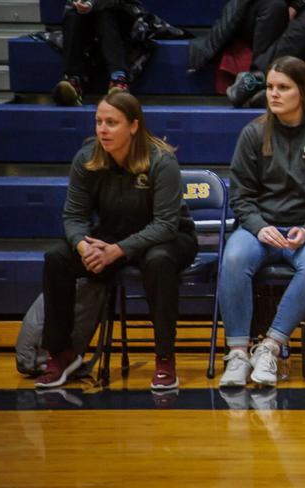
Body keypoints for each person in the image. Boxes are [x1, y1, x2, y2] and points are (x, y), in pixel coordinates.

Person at [35, 92, 198, 390]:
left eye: (112, 123)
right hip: (111, 236)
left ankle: (164, 357)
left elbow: (165, 224)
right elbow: (73, 216)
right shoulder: (87, 159)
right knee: (57, 257)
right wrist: (83, 246)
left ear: (133, 126)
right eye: (99, 122)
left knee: (158, 261)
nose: (103, 129)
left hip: (168, 237)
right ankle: (61, 353)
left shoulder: (161, 160)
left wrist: (118, 251)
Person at [217, 56, 305, 388]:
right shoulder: (253, 133)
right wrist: (258, 226)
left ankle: (270, 346)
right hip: (260, 229)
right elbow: (241, 196)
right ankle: (237, 353)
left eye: (283, 87)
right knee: (233, 257)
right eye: (270, 87)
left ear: (302, 91)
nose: (273, 94)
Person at [189, 0, 305, 108]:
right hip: (260, 8)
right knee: (275, 5)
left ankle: (258, 79)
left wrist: (297, 5)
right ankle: (263, 83)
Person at [52, 0, 137, 106]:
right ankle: (73, 80)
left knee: (105, 13)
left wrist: (91, 4)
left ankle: (119, 79)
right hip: (89, 18)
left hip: (121, 14)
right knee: (72, 14)